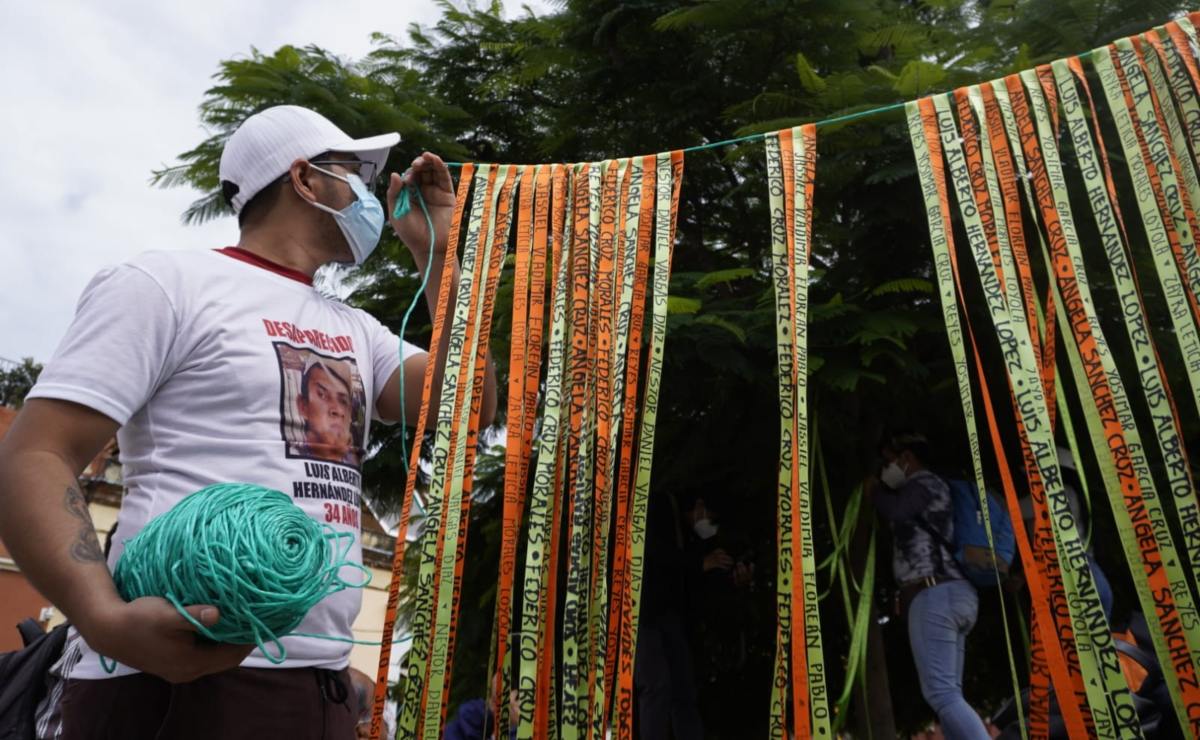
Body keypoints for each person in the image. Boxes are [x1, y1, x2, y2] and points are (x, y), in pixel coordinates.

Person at [0, 104, 496, 739]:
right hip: (175, 678)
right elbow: (36, 456)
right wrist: (102, 618)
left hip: (321, 685)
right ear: (306, 179)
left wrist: (440, 255)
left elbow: (470, 406)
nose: (371, 193)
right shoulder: (165, 283)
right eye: (353, 172)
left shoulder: (358, 331)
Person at [867, 432, 989, 740]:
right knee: (949, 694)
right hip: (951, 594)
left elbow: (895, 510)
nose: (886, 470)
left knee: (942, 694)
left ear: (906, 458)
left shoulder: (924, 484)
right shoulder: (934, 487)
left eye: (889, 461)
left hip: (935, 594)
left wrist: (873, 492)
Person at [294, 355, 358, 466]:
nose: (337, 410)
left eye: (343, 401)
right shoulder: (287, 457)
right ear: (303, 405)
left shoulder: (354, 460)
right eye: (322, 395)